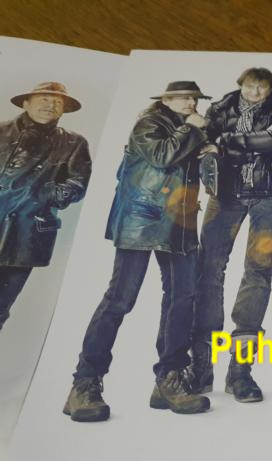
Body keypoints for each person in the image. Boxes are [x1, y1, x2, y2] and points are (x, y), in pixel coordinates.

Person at [65, 81, 214, 422]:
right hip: (140, 221)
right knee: (120, 299)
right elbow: (162, 156)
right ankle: (84, 383)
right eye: (184, 97)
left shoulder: (191, 129)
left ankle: (170, 379)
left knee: (182, 299)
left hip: (180, 223)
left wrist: (209, 149)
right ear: (166, 99)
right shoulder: (149, 124)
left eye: (194, 98)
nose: (191, 103)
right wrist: (193, 131)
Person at [191, 68, 272, 402]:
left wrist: (225, 142)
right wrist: (216, 143)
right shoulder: (220, 108)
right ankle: (201, 365)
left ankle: (241, 370)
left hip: (271, 196)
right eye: (250, 86)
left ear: (271, 88)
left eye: (262, 87)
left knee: (258, 271)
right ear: (240, 86)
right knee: (208, 270)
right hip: (224, 195)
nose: (255, 93)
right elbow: (202, 143)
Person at [0, 82, 91, 332]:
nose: (50, 105)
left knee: (1, 306)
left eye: (57, 102)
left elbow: (78, 182)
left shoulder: (73, 142)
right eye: (44, 99)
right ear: (26, 103)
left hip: (26, 232)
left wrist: (47, 194)